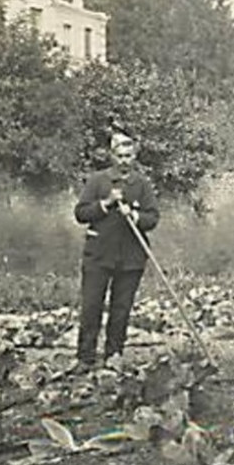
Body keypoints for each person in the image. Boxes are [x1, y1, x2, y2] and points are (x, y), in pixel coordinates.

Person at [74, 131, 159, 369]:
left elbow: (153, 218)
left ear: (134, 156)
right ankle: (85, 357)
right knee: (91, 306)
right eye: (120, 156)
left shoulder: (141, 184)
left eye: (129, 156)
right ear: (112, 156)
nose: (124, 160)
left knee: (121, 309)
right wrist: (106, 204)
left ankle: (114, 354)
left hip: (131, 258)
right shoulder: (97, 181)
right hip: (99, 255)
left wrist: (134, 215)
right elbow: (80, 213)